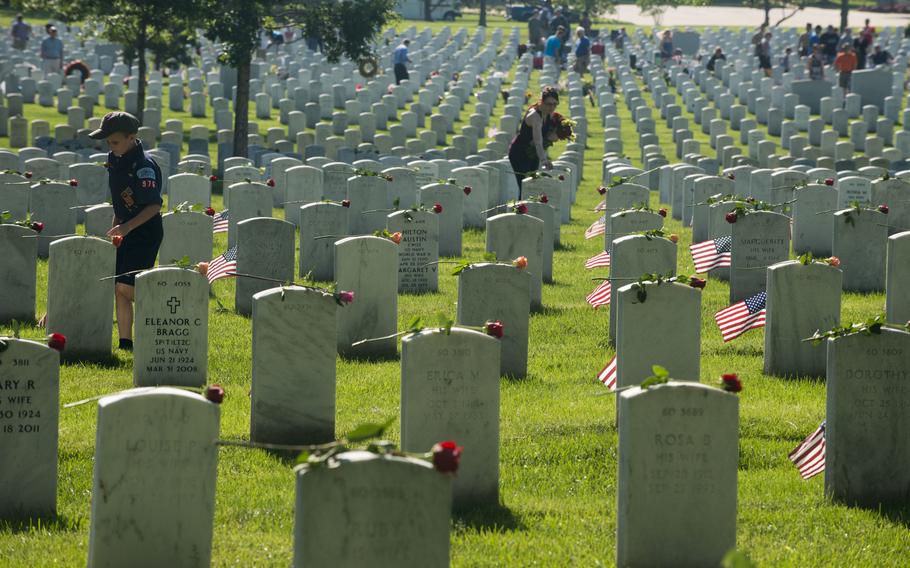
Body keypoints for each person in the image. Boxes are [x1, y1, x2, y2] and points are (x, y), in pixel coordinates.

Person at [89, 112, 163, 351]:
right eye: (108, 142)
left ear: (132, 137)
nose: (110, 146)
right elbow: (120, 201)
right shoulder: (115, 159)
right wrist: (116, 228)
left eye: (115, 142)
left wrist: (127, 227)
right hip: (125, 229)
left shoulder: (144, 167)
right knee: (118, 289)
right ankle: (126, 343)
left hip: (145, 232)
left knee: (126, 286)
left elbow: (153, 206)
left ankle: (167, 311)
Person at [508, 86, 560, 196]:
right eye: (549, 104)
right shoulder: (535, 116)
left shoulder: (549, 113)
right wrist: (544, 160)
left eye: (555, 104)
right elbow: (538, 141)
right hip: (519, 153)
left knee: (532, 185)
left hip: (533, 153)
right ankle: (520, 210)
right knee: (524, 186)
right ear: (542, 101)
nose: (552, 107)